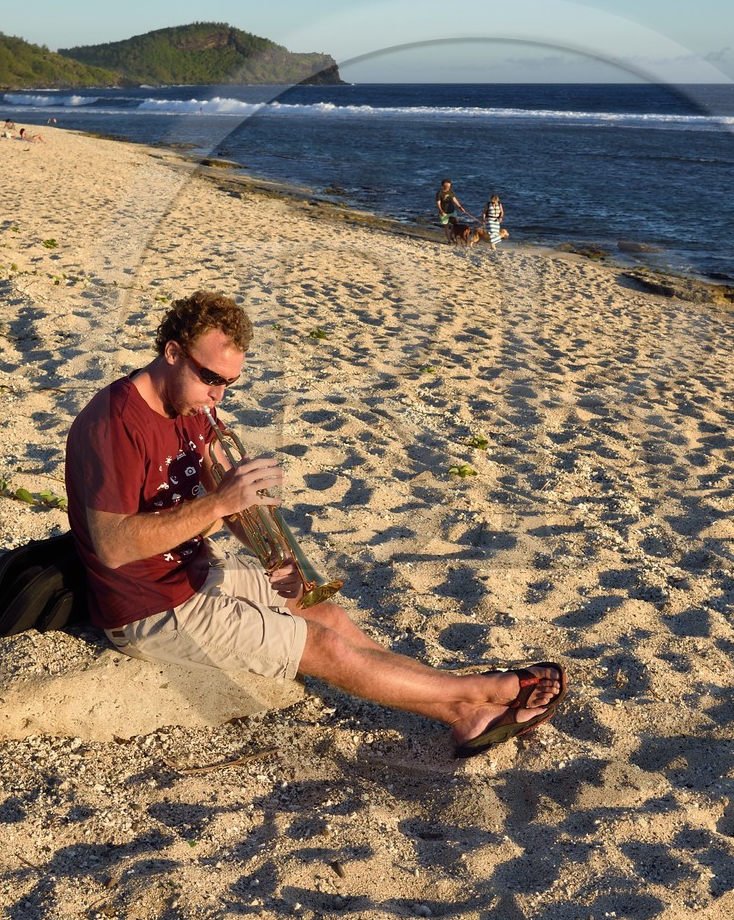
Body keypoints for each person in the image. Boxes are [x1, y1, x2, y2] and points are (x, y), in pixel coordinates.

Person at [64, 291, 566, 757]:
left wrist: (271, 550)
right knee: (322, 647)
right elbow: (112, 545)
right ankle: (477, 693)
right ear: (172, 352)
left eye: (230, 384)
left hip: (196, 572)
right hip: (149, 608)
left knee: (328, 616)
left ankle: (464, 713)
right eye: (211, 377)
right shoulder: (113, 423)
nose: (218, 396)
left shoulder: (193, 406)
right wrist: (219, 503)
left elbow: (230, 505)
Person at [435, 179, 471, 244]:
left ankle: (452, 236)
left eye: (449, 186)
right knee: (446, 226)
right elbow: (438, 203)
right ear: (443, 186)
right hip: (444, 212)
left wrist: (460, 207)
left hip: (452, 210)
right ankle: (449, 241)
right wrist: (441, 211)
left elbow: (454, 199)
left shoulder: (451, 191)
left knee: (455, 224)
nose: (449, 188)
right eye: (447, 186)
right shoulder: (439, 193)